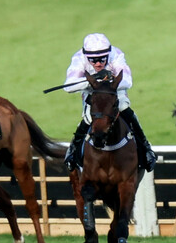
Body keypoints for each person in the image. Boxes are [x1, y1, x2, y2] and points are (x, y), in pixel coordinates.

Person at [63, 33, 157, 172]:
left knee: (124, 107)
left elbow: (127, 81)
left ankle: (146, 148)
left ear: (108, 54)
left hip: (114, 91)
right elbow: (68, 87)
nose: (98, 64)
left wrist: (109, 80)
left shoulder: (116, 54)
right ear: (86, 57)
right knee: (88, 116)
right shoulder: (78, 58)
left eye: (102, 59)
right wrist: (94, 79)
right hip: (93, 93)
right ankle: (73, 150)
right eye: (93, 61)